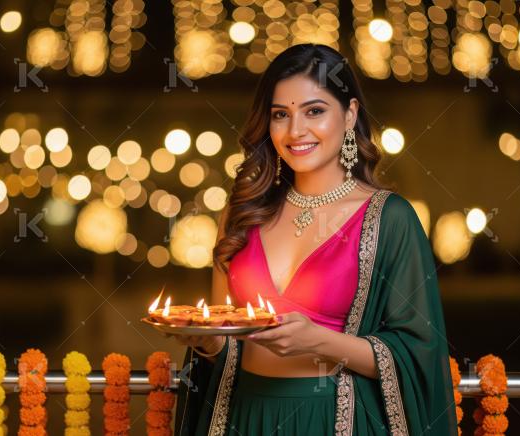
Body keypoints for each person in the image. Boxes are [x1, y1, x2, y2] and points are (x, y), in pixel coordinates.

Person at [170, 43, 457, 435]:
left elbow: (419, 353)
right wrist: (203, 341)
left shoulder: (390, 219)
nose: (295, 131)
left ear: (350, 113)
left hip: (334, 420)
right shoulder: (240, 215)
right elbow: (229, 343)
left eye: (314, 111)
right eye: (280, 115)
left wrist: (319, 342)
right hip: (244, 419)